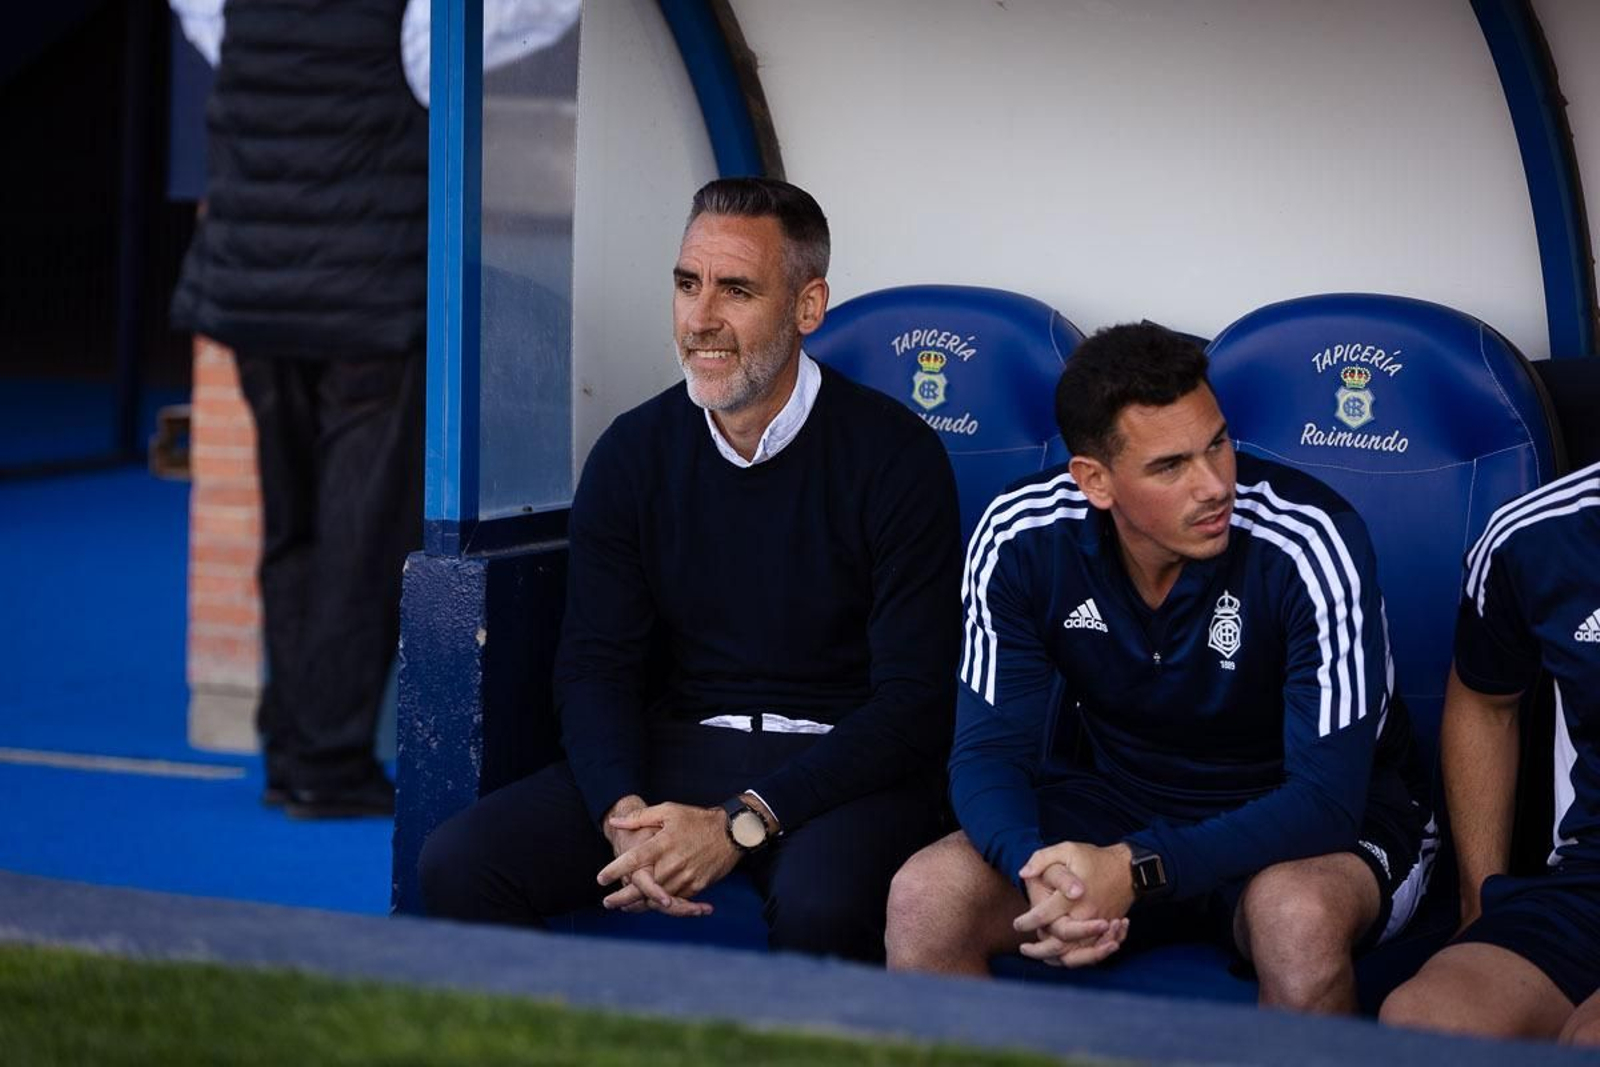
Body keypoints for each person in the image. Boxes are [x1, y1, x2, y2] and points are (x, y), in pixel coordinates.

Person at [418, 178, 962, 962]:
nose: (700, 319)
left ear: (808, 308)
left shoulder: (896, 456)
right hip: (682, 749)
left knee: (824, 903)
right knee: (461, 862)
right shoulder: (632, 453)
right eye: (686, 283)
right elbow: (595, 666)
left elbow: (914, 704)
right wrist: (621, 810)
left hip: (844, 768)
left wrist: (744, 818)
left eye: (736, 289)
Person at [885, 324, 1434, 1012]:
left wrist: (1135, 869)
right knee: (925, 896)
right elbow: (987, 752)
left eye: (1218, 443)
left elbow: (1325, 800)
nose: (1214, 485)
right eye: (1170, 466)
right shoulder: (1021, 535)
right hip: (1126, 798)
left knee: (1297, 921)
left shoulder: (1309, 540)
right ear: (1095, 480)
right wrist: (1040, 868)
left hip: (1310, 824)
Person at [167, 0, 577, 818]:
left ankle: (290, 745)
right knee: (361, 535)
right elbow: (500, 37)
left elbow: (210, 29)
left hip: (254, 286)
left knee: (294, 523)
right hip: (369, 298)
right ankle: (325, 759)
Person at [1380, 462, 1600, 1045]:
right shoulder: (1534, 534)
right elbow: (1485, 703)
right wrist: (1481, 894)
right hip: (1588, 884)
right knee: (1425, 1022)